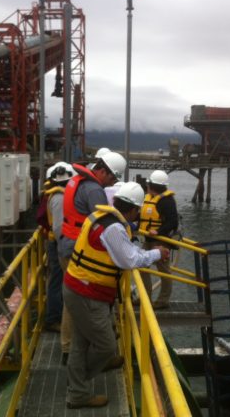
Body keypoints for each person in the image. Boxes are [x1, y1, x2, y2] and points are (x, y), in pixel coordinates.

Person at [63, 182, 170, 409]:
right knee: (106, 346)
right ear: (133, 209)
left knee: (80, 344)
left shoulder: (100, 217)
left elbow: (125, 251)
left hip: (79, 287)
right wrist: (157, 253)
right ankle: (78, 384)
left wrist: (146, 252)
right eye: (137, 211)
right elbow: (129, 260)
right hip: (87, 293)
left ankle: (77, 391)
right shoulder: (113, 228)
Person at [57, 151, 127, 363]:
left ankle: (69, 347)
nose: (112, 183)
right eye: (113, 178)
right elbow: (103, 223)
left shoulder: (76, 181)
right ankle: (76, 350)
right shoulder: (94, 190)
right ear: (103, 171)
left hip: (66, 243)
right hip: (77, 251)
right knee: (82, 302)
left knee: (73, 300)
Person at [139, 170, 179, 309]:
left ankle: (163, 300)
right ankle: (145, 297)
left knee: (164, 270)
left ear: (152, 185)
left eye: (148, 184)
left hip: (161, 241)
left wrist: (159, 231)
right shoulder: (149, 197)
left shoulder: (167, 201)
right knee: (141, 266)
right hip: (148, 239)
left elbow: (173, 222)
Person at [43, 162, 75, 333]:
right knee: (57, 281)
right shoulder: (60, 198)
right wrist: (65, 246)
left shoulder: (58, 196)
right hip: (58, 245)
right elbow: (58, 227)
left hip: (57, 243)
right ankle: (53, 318)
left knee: (57, 280)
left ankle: (56, 314)